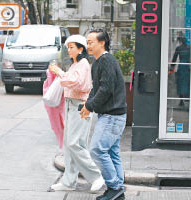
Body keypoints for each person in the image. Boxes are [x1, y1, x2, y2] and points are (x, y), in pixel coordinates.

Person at [49, 34, 104, 191]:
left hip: (80, 106)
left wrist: (59, 72)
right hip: (71, 106)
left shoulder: (84, 64)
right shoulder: (75, 65)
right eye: (68, 47)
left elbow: (77, 83)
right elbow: (69, 82)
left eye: (72, 47)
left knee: (74, 143)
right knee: (69, 145)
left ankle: (95, 176)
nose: (69, 50)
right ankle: (69, 182)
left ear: (81, 49)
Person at [81, 29, 127, 200]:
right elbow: (96, 87)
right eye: (87, 42)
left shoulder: (106, 60)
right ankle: (117, 190)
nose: (88, 45)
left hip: (112, 116)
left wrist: (90, 105)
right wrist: (87, 105)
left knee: (97, 150)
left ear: (102, 43)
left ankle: (115, 187)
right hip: (110, 115)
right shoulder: (99, 62)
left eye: (91, 42)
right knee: (112, 152)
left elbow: (106, 89)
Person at [170, 36, 190, 106]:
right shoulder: (189, 48)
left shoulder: (178, 48)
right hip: (188, 67)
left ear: (180, 41)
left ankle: (181, 100)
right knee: (187, 82)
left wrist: (171, 67)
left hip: (181, 67)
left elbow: (174, 58)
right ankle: (187, 98)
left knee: (180, 83)